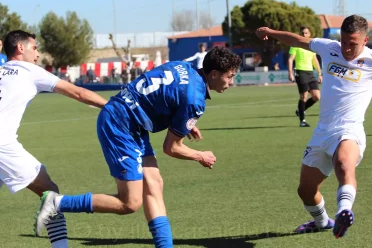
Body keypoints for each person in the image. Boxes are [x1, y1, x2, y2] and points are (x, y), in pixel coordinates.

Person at [35, 46, 242, 247]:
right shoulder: (195, 100)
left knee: (154, 184)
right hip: (121, 124)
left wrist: (184, 124)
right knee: (130, 203)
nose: (231, 82)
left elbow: (165, 95)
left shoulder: (182, 66)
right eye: (229, 76)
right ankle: (57, 203)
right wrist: (200, 155)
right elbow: (171, 148)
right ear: (214, 74)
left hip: (130, 118)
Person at [256, 15, 372, 238]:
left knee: (344, 164)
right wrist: (270, 32)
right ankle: (322, 222)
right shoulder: (328, 48)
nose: (346, 48)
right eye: (343, 41)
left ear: (365, 40)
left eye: (352, 44)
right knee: (305, 191)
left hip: (349, 130)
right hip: (322, 132)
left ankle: (344, 212)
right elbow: (296, 40)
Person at [0, 30, 108, 247]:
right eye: (35, 47)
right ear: (21, 48)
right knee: (50, 193)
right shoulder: (30, 70)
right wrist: (112, 106)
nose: (38, 54)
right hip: (2, 144)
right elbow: (77, 92)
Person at [288, 26, 322, 127]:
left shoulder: (311, 47)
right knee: (304, 96)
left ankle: (300, 111)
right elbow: (290, 59)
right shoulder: (295, 45)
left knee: (316, 96)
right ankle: (302, 121)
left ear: (309, 34)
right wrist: (290, 73)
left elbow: (314, 60)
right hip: (300, 71)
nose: (304, 35)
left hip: (310, 73)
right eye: (302, 33)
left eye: (306, 33)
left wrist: (319, 73)